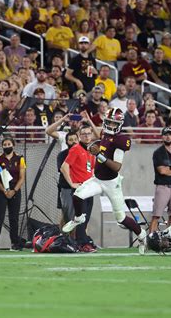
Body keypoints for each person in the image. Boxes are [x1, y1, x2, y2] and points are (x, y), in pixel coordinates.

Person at [62, 108, 148, 254]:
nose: (110, 126)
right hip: (97, 179)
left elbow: (116, 167)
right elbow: (102, 143)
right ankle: (78, 218)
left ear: (119, 124)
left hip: (112, 183)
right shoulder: (105, 134)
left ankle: (142, 235)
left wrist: (99, 155)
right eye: (108, 122)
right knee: (77, 195)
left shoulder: (122, 140)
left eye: (114, 124)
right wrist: (95, 145)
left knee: (120, 218)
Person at [60, 124, 97, 253]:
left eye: (89, 133)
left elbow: (91, 169)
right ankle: (82, 244)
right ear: (79, 136)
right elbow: (64, 167)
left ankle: (82, 241)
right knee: (80, 217)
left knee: (85, 218)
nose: (87, 136)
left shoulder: (91, 150)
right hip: (80, 189)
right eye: (84, 134)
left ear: (92, 135)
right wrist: (72, 184)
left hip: (89, 188)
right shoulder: (75, 149)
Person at [0, 137, 26, 251]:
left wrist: (14, 190)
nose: (7, 146)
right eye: (4, 144)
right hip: (2, 191)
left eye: (9, 144)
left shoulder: (20, 159)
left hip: (15, 190)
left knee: (14, 218)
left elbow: (21, 178)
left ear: (13, 145)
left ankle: (14, 243)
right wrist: (4, 190)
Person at [150, 127, 171, 233]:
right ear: (162, 136)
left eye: (170, 134)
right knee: (156, 215)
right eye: (166, 134)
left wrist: (169, 169)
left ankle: (169, 239)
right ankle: (150, 239)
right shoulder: (158, 152)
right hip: (162, 186)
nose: (168, 136)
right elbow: (162, 171)